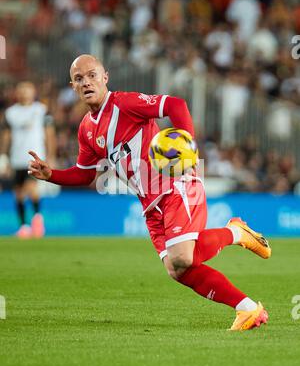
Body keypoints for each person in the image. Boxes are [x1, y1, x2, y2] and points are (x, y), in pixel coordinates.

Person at [27, 54, 271, 331]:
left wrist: (186, 143)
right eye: (79, 79)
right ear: (72, 86)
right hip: (149, 202)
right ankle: (247, 308)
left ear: (105, 76)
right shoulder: (86, 129)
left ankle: (236, 233)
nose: (87, 82)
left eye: (92, 75)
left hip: (176, 185)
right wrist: (52, 175)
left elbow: (175, 105)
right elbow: (85, 173)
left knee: (182, 257)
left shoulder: (125, 103)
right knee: (177, 269)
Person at [1, 81, 56, 238]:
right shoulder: (11, 112)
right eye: (22, 89)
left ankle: (38, 219)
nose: (25, 92)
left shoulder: (41, 110)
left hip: (35, 157)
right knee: (18, 193)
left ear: (33, 92)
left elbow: (49, 134)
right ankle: (24, 226)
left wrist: (51, 156)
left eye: (28, 89)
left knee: (31, 189)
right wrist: (4, 156)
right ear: (17, 93)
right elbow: (7, 135)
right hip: (16, 157)